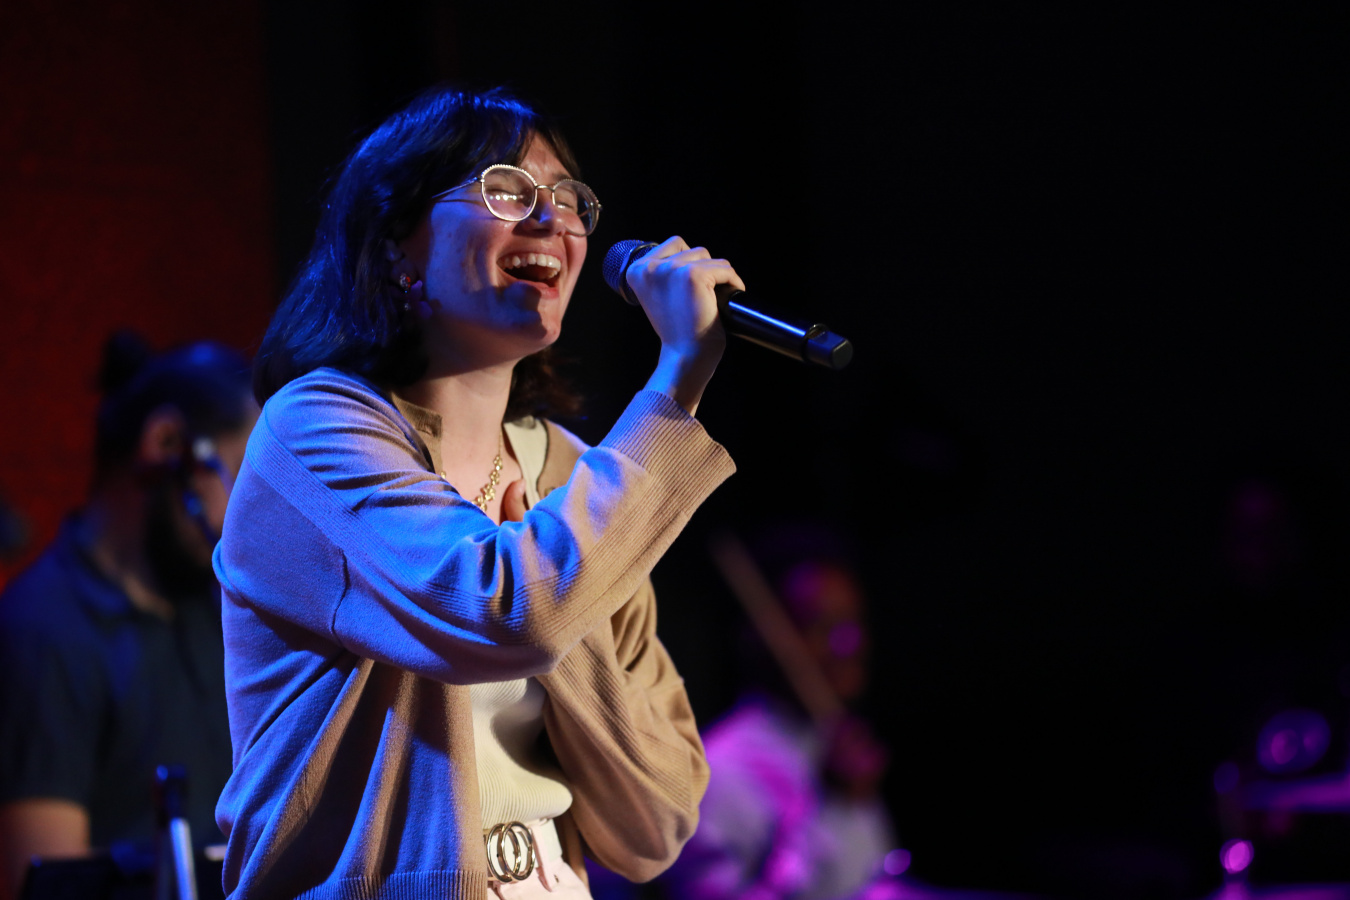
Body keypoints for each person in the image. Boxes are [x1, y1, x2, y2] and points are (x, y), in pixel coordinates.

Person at [213, 86, 740, 900]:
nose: (551, 218)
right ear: (398, 242)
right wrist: (674, 386)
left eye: (568, 198)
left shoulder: (573, 473)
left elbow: (658, 823)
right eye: (506, 189)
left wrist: (559, 598)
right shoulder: (313, 432)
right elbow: (500, 613)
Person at [0, 333, 257, 900]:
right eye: (241, 474)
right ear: (165, 443)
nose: (252, 513)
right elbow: (43, 881)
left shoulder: (223, 606)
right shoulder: (41, 632)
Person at [663, 525, 901, 900]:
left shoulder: (835, 745)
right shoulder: (717, 772)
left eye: (852, 623)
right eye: (821, 625)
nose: (847, 643)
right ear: (760, 634)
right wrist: (831, 810)